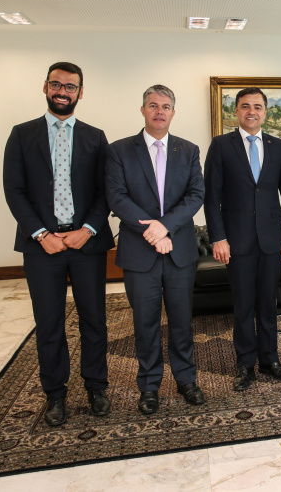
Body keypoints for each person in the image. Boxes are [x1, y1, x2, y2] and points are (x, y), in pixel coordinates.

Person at [3, 61, 114, 426]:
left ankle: (97, 386)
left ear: (81, 92)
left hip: (86, 244)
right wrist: (41, 234)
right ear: (45, 87)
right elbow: (14, 190)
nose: (62, 92)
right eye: (56, 85)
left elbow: (105, 192)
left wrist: (87, 230)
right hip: (42, 246)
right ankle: (55, 394)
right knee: (49, 323)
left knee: (93, 321)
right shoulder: (22, 134)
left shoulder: (95, 137)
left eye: (70, 87)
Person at [105, 84, 205, 415]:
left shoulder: (188, 150)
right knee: (144, 323)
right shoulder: (119, 150)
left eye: (165, 106)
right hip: (139, 252)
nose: (159, 111)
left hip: (179, 250)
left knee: (181, 320)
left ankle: (186, 379)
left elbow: (195, 195)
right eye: (153, 105)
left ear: (173, 113)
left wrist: (165, 226)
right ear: (143, 110)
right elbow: (117, 197)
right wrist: (152, 230)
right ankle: (148, 385)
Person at [204, 87, 281, 391]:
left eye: (257, 107)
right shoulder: (221, 145)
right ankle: (245, 364)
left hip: (271, 239)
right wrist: (218, 237)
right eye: (245, 106)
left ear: (265, 111)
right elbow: (212, 198)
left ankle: (270, 359)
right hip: (237, 241)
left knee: (268, 305)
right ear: (236, 111)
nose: (252, 112)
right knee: (244, 305)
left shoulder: (277, 145)